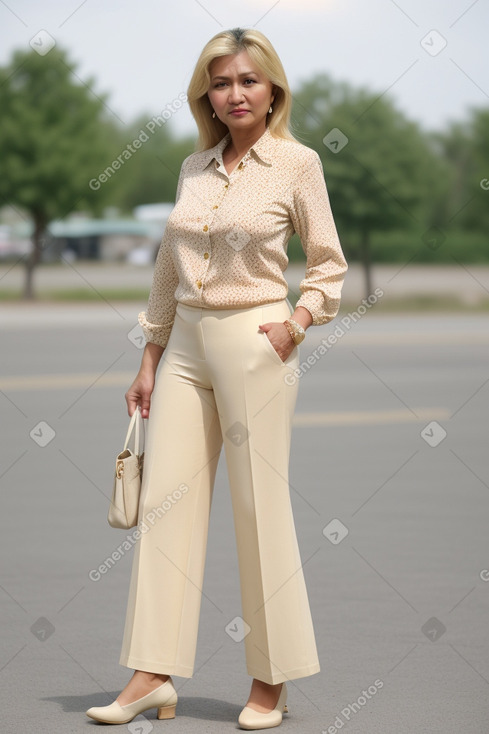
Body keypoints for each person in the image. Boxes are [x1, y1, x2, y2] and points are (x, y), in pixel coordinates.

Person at [86, 26, 347, 730]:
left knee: (258, 510)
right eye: (221, 81)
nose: (234, 93)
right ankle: (151, 673)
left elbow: (326, 261)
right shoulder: (193, 167)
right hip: (186, 348)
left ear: (273, 91)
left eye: (248, 81)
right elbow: (167, 271)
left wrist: (298, 323)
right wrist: (148, 359)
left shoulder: (295, 164)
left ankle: (271, 678)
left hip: (254, 339)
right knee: (165, 506)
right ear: (207, 92)